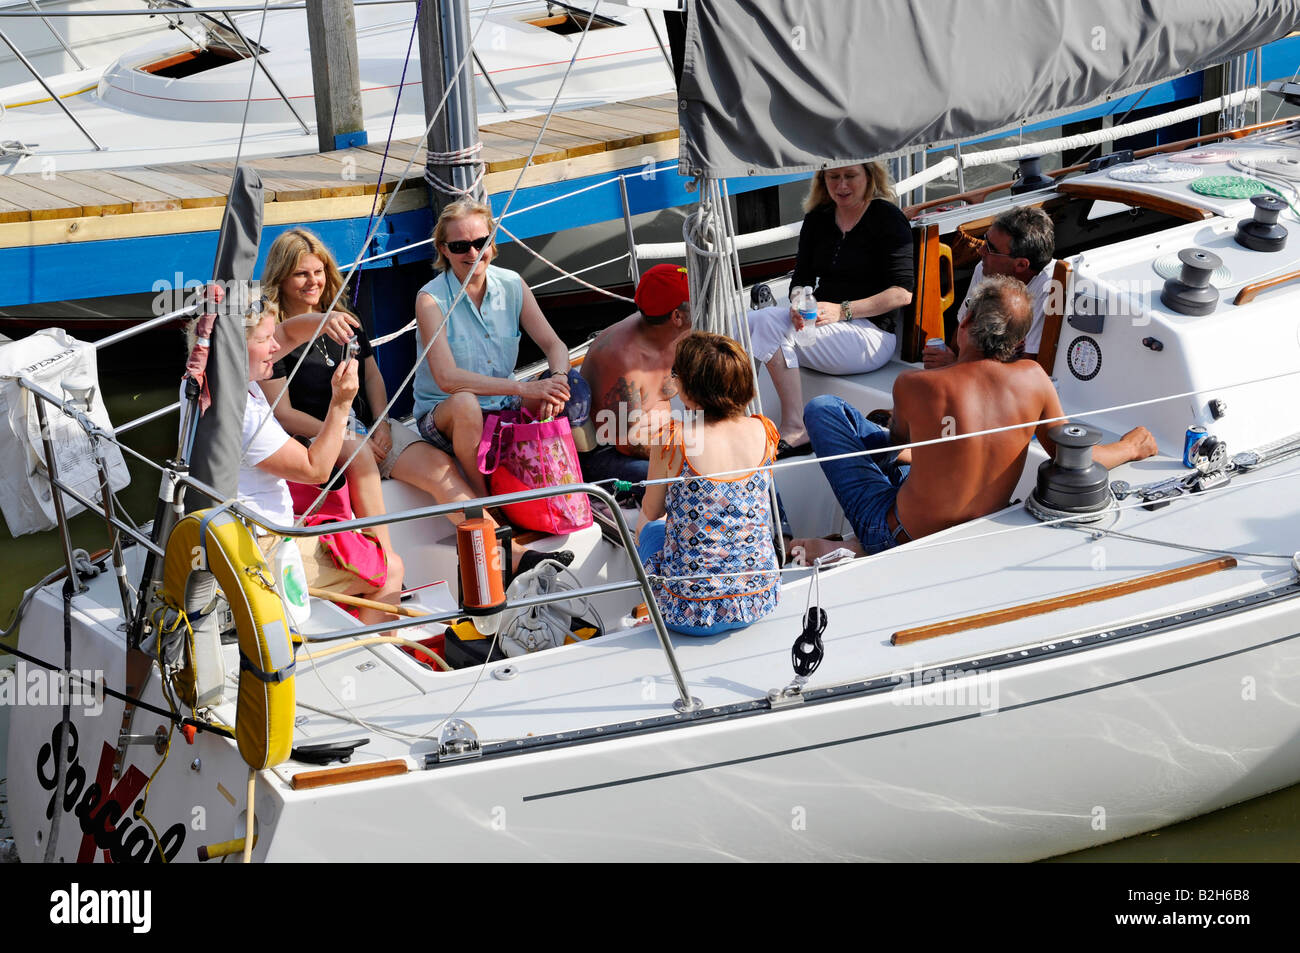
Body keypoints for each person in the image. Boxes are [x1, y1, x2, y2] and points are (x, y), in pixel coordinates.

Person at [791, 276, 1156, 562]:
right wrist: (1129, 447)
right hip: (973, 529)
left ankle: (860, 547)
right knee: (906, 457)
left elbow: (894, 444)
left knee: (824, 409)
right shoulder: (1034, 379)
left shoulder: (915, 385)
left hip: (896, 534)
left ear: (965, 321)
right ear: (1017, 342)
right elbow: (1073, 458)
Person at [239, 306, 405, 623]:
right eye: (264, 340)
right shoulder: (242, 413)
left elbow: (286, 334)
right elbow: (316, 469)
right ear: (234, 346)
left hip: (253, 533)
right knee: (390, 568)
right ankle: (367, 664)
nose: (275, 348)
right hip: (262, 550)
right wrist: (340, 404)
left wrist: (323, 321)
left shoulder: (204, 379)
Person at [412, 198, 575, 501]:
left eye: (480, 242)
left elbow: (555, 345)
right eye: (460, 246)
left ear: (492, 241)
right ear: (444, 250)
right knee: (465, 403)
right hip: (447, 416)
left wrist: (559, 379)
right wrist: (525, 389)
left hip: (502, 408)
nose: (473, 253)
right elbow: (447, 379)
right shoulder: (430, 300)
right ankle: (483, 494)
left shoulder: (513, 284)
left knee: (569, 390)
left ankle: (561, 486)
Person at [747, 162, 914, 456]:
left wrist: (842, 310)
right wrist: (799, 304)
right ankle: (737, 421)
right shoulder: (818, 219)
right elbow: (801, 279)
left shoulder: (887, 218)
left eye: (850, 177)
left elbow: (902, 294)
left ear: (870, 177)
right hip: (823, 325)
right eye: (833, 177)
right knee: (744, 321)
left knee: (765, 324)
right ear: (822, 179)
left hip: (871, 335)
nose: (842, 186)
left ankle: (796, 429)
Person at [636, 332, 780, 635]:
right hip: (758, 599)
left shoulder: (674, 439)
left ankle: (648, 606)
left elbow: (650, 512)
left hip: (689, 612)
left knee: (651, 529)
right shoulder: (764, 430)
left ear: (690, 389)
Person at [578, 263, 692, 504]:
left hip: (663, 440)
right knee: (691, 482)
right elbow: (627, 442)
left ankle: (784, 538)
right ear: (677, 316)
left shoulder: (674, 333)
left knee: (740, 460)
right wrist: (685, 453)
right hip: (612, 453)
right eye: (696, 302)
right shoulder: (623, 358)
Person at [923, 206, 1056, 367]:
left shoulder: (1051, 288)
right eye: (985, 240)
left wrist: (957, 365)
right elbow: (961, 331)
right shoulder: (985, 268)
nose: (980, 250)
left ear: (1021, 264)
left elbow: (1027, 367)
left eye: (991, 248)